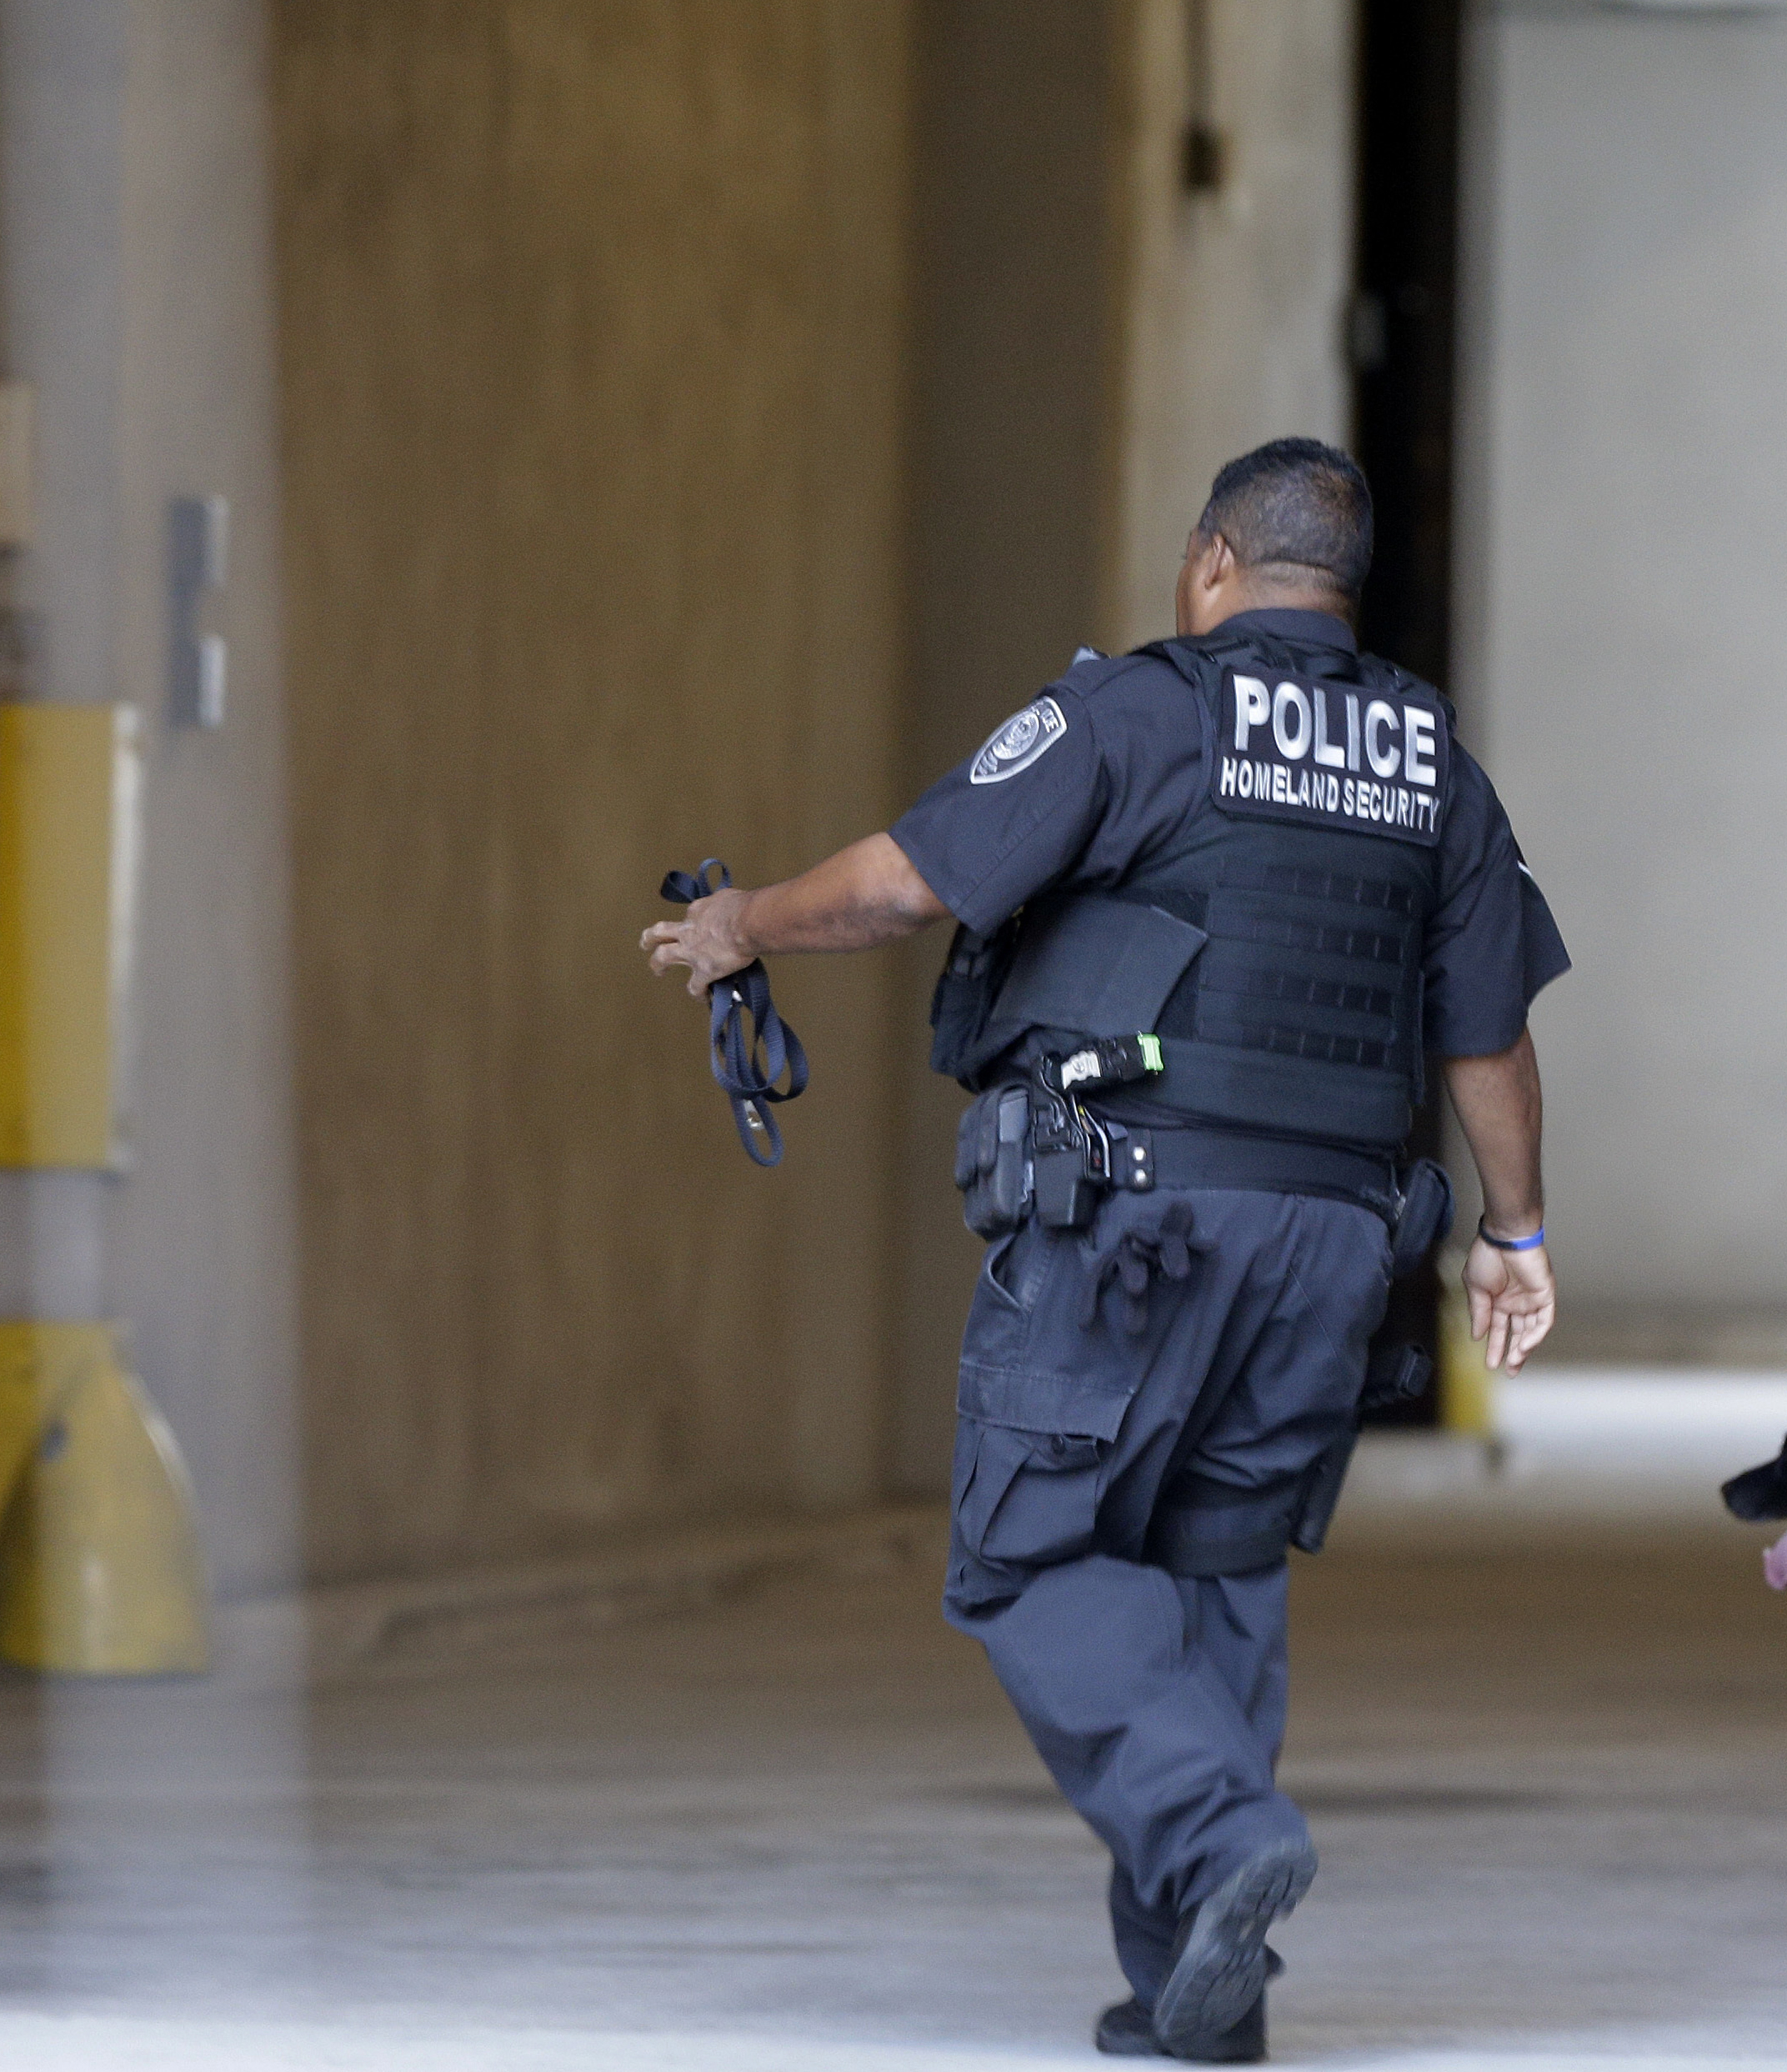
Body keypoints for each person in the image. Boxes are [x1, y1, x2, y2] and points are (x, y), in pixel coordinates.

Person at [641, 438, 1567, 2061]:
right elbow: (1483, 1036)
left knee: (1032, 1552)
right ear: (1339, 587)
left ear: (1214, 562)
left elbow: (904, 882)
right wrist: (1514, 1231)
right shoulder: (1434, 766)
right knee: (1213, 1561)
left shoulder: (1136, 711)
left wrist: (741, 923)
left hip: (1130, 1215)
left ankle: (1218, 1842)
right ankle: (1194, 1991)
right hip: (1336, 1240)